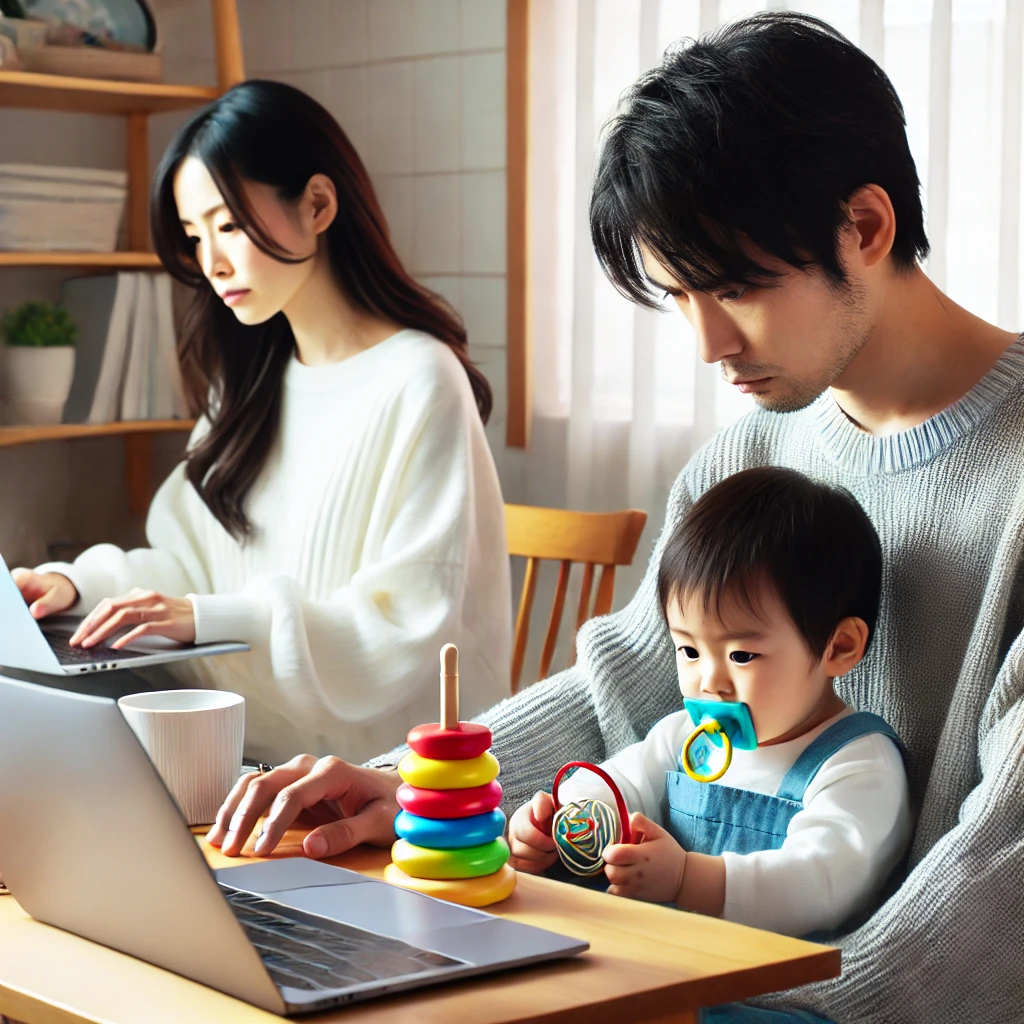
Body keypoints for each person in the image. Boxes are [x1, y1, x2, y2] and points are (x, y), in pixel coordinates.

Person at [208, 15, 1024, 1023]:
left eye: (734, 288)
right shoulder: (746, 455)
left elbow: (1005, 862)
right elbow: (624, 696)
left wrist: (770, 1003)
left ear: (863, 226)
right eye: (678, 295)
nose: (707, 343)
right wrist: (420, 790)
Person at [9, 79, 512, 766]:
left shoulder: (419, 380)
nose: (210, 262)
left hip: (379, 782)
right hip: (240, 758)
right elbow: (189, 562)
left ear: (317, 204)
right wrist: (81, 587)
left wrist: (210, 620)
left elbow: (400, 629)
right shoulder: (250, 382)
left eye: (226, 224)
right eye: (194, 235)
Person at [508, 467, 912, 944]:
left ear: (838, 647)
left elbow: (819, 882)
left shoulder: (857, 764)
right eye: (690, 651)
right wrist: (558, 824)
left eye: (742, 655)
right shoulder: (686, 738)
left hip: (774, 987)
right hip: (666, 957)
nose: (710, 681)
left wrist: (687, 879)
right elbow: (622, 785)